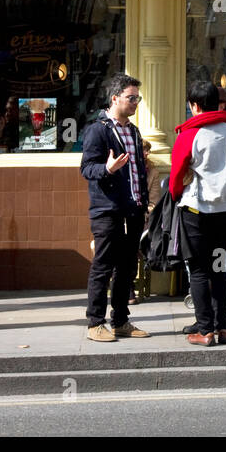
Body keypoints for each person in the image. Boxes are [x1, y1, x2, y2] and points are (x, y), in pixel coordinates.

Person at [170, 81, 226, 346]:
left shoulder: (189, 134)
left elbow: (176, 175)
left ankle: (205, 330)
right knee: (219, 269)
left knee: (199, 271)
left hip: (196, 211)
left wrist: (176, 196)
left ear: (194, 105)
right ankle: (223, 327)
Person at [79, 74, 150, 343]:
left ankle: (120, 321)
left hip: (133, 209)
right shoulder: (98, 130)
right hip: (107, 210)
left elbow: (139, 171)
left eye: (137, 99)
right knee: (103, 265)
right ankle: (95, 323)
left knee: (127, 266)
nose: (135, 103)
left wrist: (143, 204)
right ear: (115, 98)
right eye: (131, 98)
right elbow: (87, 168)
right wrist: (107, 169)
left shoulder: (133, 131)